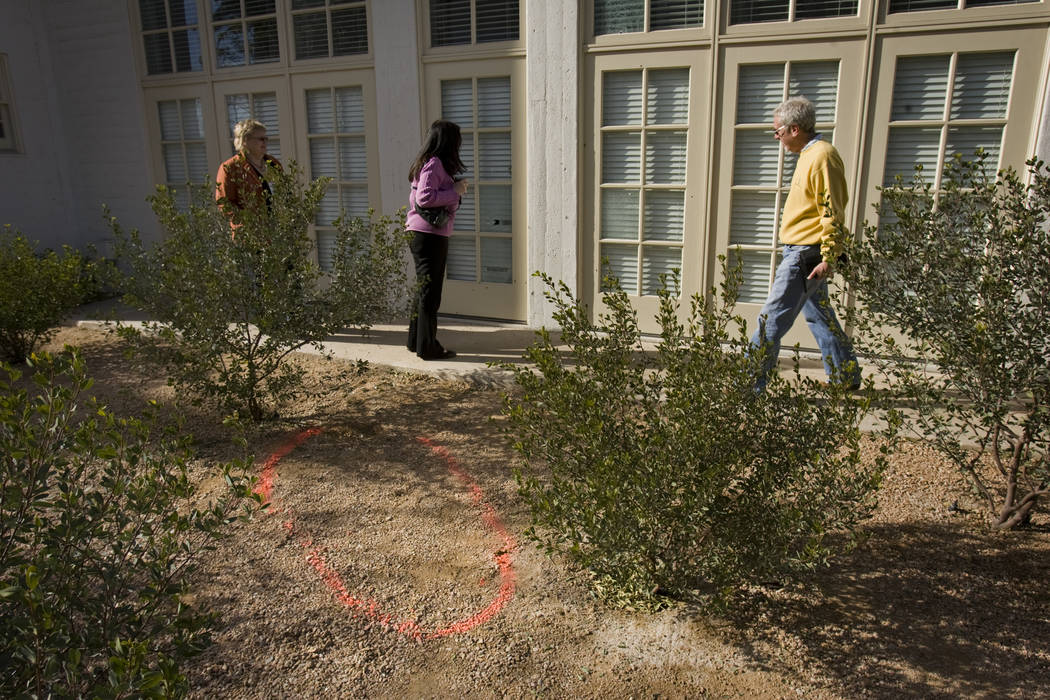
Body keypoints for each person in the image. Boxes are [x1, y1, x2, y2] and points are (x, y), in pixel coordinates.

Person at [750, 96, 860, 392]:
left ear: (795, 129)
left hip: (806, 254)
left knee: (770, 319)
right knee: (820, 315)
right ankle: (844, 376)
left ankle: (749, 388)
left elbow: (832, 210)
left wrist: (829, 255)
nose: (778, 138)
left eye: (778, 132)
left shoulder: (823, 156)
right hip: (804, 251)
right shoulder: (810, 156)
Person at [405, 120, 469, 361]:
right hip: (428, 236)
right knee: (430, 294)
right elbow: (424, 198)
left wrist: (453, 187)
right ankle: (428, 348)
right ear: (448, 141)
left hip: (423, 234)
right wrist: (456, 191)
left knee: (423, 291)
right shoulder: (434, 163)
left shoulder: (429, 162)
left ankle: (416, 341)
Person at [215, 118, 282, 228]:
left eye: (266, 138)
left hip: (278, 231)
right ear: (245, 140)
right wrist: (248, 225)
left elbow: (285, 192)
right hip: (251, 235)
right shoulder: (230, 168)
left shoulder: (273, 163)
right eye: (261, 139)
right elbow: (225, 204)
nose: (265, 142)